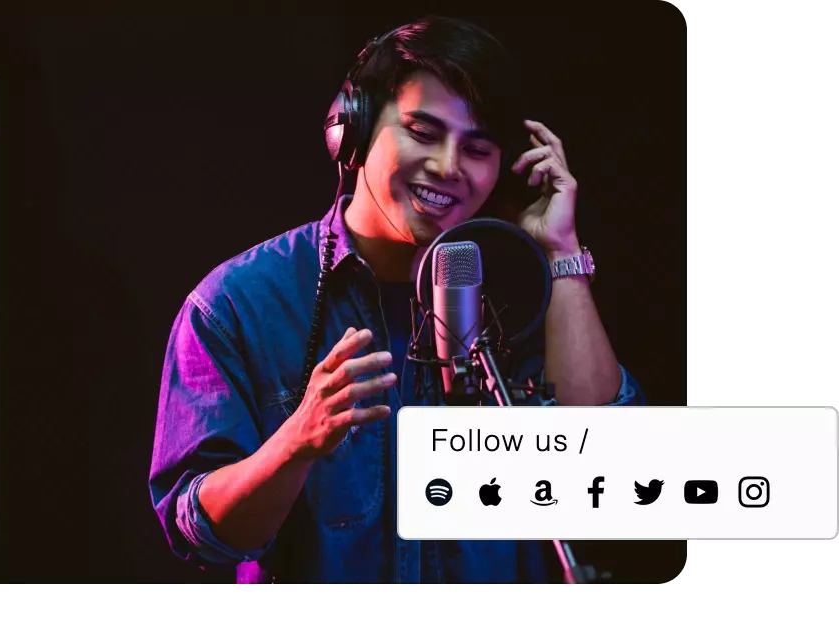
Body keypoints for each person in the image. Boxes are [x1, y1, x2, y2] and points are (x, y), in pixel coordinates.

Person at [149, 15, 644, 584]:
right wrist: (296, 442)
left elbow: (608, 478)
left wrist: (561, 250)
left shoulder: (519, 297)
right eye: (423, 132)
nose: (449, 167)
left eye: (477, 148)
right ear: (352, 132)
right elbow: (199, 532)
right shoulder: (238, 304)